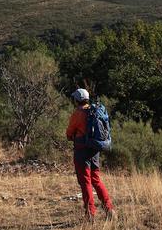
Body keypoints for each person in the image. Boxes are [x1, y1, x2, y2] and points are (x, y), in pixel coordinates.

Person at [66, 88, 115, 222]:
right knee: (96, 180)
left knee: (86, 182)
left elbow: (69, 133)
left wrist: (73, 136)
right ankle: (109, 209)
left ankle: (90, 214)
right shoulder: (94, 111)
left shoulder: (78, 113)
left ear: (77, 100)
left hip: (82, 151)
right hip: (94, 150)